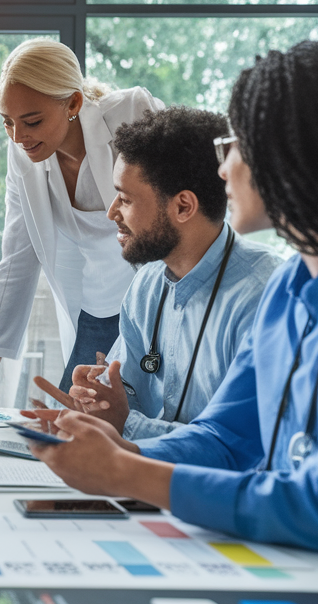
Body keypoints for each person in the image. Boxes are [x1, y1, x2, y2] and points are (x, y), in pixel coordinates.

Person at [23, 38, 318, 590]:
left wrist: (129, 472)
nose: (223, 167)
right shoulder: (294, 282)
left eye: (234, 144)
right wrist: (123, 449)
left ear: (301, 154)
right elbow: (226, 438)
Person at [0, 38, 164, 415]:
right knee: (67, 426)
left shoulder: (131, 113)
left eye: (32, 121)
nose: (19, 137)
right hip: (98, 313)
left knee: (143, 421)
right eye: (7, 123)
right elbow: (17, 261)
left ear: (74, 104)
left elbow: (185, 206)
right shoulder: (23, 160)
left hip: (157, 302)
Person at [39, 106, 281, 439]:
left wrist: (125, 424)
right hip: (136, 475)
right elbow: (120, 392)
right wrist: (94, 404)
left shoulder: (264, 297)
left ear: (183, 206)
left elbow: (240, 444)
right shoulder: (147, 284)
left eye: (124, 199)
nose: (111, 213)